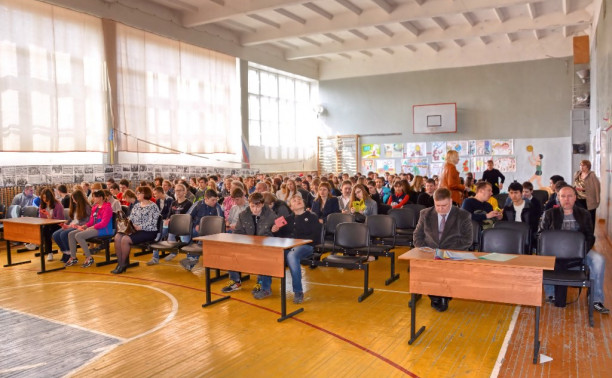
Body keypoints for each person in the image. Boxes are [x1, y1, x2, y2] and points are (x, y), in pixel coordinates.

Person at [539, 186, 609, 314]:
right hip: (556, 253)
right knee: (543, 260)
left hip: (580, 251)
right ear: (558, 198)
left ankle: (595, 299)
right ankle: (551, 294)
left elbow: (589, 236)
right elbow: (541, 235)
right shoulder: (549, 214)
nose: (567, 199)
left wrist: (582, 252)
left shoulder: (585, 214)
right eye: (563, 196)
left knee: (599, 260)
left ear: (575, 198)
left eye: (570, 196)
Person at [413, 188, 473, 312]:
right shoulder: (425, 213)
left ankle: (443, 295)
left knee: (446, 274)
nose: (440, 209)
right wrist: (426, 250)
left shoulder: (463, 215)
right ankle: (437, 296)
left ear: (451, 201)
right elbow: (417, 236)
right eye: (437, 206)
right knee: (421, 273)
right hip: (430, 253)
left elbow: (467, 240)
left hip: (452, 253)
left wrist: (445, 253)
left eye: (444, 206)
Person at [262, 194, 322, 304]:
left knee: (292, 255)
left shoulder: (312, 217)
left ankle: (298, 291)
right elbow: (279, 235)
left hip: (307, 246)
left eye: (300, 199)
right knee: (270, 254)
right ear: (291, 207)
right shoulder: (286, 219)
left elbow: (316, 237)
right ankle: (265, 289)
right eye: (294, 200)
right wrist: (275, 230)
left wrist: (298, 242)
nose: (298, 200)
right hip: (289, 247)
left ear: (304, 203)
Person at [221, 193, 276, 295]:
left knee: (263, 256)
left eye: (258, 206)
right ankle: (235, 281)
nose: (255, 209)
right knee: (230, 251)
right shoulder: (243, 215)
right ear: (249, 204)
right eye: (252, 206)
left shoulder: (271, 216)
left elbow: (273, 235)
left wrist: (275, 230)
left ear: (263, 204)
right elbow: (237, 232)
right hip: (248, 245)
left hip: (264, 247)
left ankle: (262, 283)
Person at [112, 186, 160, 274]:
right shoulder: (137, 206)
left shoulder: (153, 206)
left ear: (145, 194)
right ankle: (120, 263)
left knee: (125, 239)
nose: (136, 194)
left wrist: (140, 227)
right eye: (137, 192)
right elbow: (131, 218)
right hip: (135, 230)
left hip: (148, 231)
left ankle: (123, 265)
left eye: (139, 193)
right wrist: (128, 222)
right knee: (117, 236)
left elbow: (152, 223)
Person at [65, 190, 113, 268]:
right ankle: (73, 257)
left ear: (100, 198)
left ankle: (89, 258)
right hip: (95, 228)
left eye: (94, 197)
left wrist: (92, 227)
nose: (93, 198)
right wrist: (85, 226)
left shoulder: (107, 208)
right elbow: (91, 221)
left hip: (103, 229)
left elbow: (104, 223)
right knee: (71, 234)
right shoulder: (95, 207)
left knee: (78, 235)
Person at [181, 189, 224, 271]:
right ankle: (191, 258)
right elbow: (188, 216)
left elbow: (220, 222)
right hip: (196, 229)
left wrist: (204, 228)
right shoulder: (198, 204)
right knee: (187, 234)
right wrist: (195, 224)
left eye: (216, 200)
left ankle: (191, 261)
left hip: (210, 232)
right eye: (213, 200)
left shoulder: (217, 206)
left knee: (203, 239)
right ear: (206, 199)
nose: (215, 202)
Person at [150, 183, 192, 265]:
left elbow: (187, 217)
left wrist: (174, 220)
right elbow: (169, 214)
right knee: (157, 237)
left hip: (183, 227)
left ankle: (189, 261)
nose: (178, 192)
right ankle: (155, 258)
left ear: (184, 192)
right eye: (176, 190)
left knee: (186, 243)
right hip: (172, 226)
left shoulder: (188, 203)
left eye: (180, 190)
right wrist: (167, 219)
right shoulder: (174, 203)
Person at [53, 190, 91, 264]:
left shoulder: (86, 207)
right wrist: (65, 224)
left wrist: (71, 226)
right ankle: (65, 251)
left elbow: (87, 221)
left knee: (63, 234)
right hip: (71, 225)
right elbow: (71, 218)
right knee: (55, 235)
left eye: (74, 199)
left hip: (78, 226)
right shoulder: (75, 206)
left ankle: (70, 253)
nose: (73, 201)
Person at [38, 187, 65, 261]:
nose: (45, 200)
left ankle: (64, 251)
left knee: (48, 231)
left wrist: (50, 217)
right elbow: (41, 217)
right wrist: (47, 217)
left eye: (46, 198)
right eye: (43, 198)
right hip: (47, 225)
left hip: (57, 224)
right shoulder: (42, 205)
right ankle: (49, 252)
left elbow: (60, 219)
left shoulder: (57, 205)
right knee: (45, 231)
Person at [573, 159, 600, 226]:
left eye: (583, 165)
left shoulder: (592, 175)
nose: (581, 167)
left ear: (588, 166)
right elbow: (574, 184)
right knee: (580, 217)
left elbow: (597, 187)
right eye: (580, 165)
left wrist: (597, 200)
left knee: (590, 217)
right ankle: (582, 234)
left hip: (589, 200)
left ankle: (590, 234)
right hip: (579, 199)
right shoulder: (577, 174)